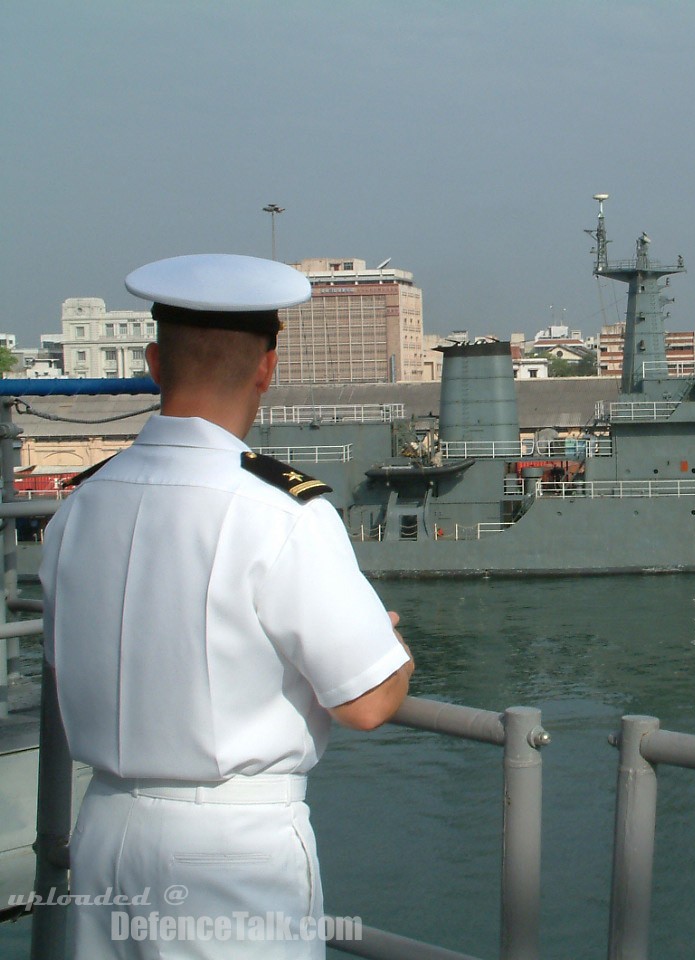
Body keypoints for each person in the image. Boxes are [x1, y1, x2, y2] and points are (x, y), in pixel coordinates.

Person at [40, 254, 414, 958]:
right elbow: (367, 703)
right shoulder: (281, 512)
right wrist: (388, 646)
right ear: (266, 369)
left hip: (104, 834)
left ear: (154, 362)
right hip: (229, 851)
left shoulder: (79, 505)